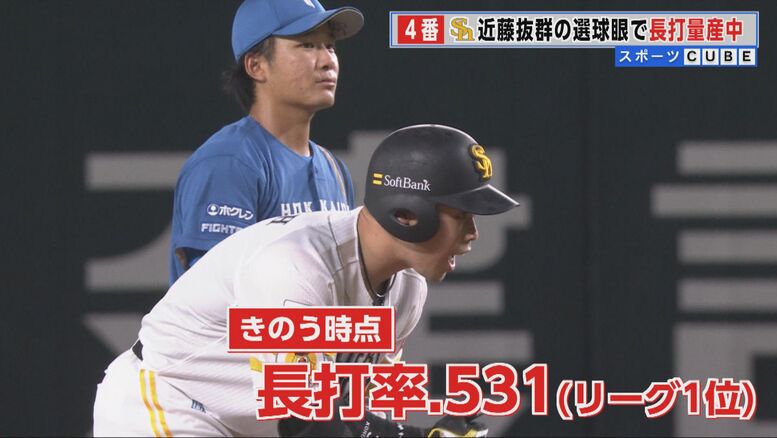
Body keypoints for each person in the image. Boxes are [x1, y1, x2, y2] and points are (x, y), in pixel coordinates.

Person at [94, 125, 518, 437]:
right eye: (460, 216)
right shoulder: (297, 266)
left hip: (251, 424)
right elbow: (306, 422)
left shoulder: (407, 289)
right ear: (407, 214)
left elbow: (356, 414)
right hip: (169, 401)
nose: (472, 235)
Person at [169, 0, 365, 284]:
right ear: (256, 65)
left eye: (330, 46)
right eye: (307, 45)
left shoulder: (334, 169)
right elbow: (217, 293)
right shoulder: (230, 162)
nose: (327, 61)